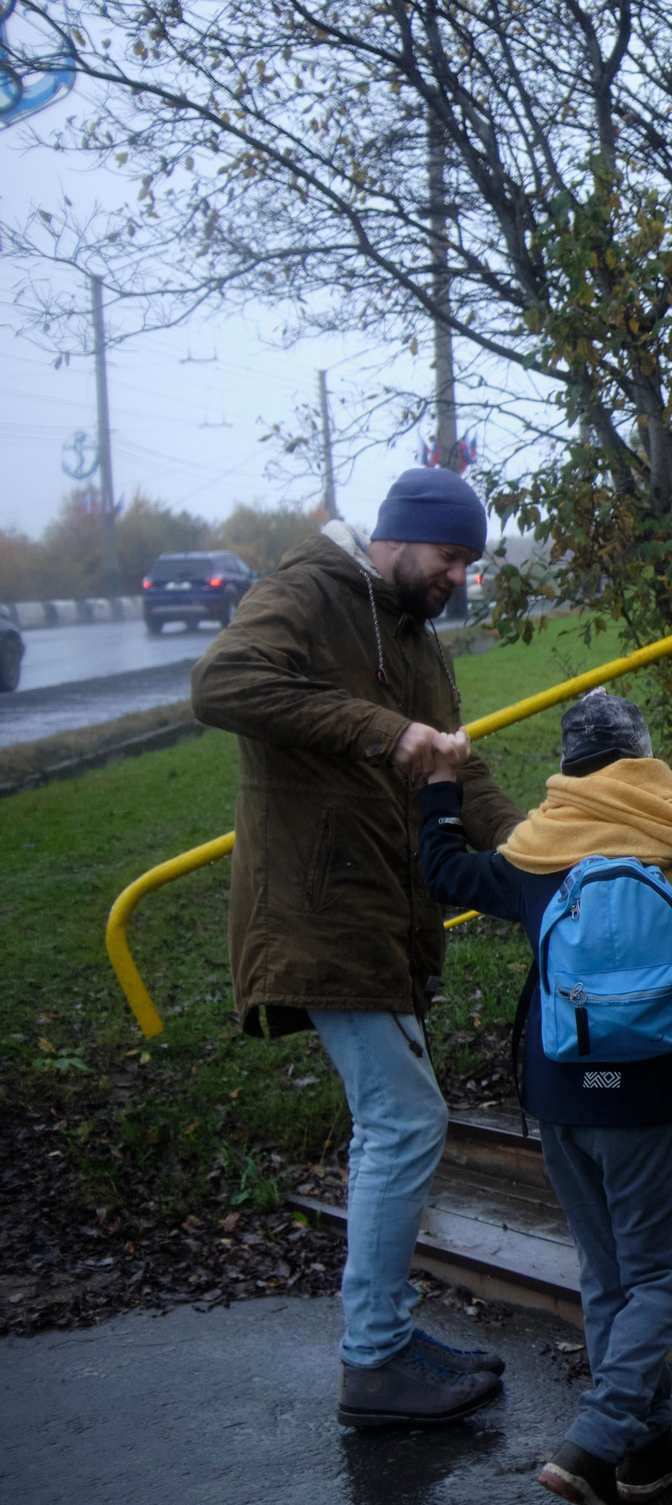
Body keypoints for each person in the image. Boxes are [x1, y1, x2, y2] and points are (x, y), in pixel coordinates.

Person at [189, 465, 516, 1427]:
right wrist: (383, 731)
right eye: (449, 555)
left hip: (381, 913)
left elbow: (454, 765)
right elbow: (221, 682)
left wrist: (540, 849)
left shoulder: (412, 632)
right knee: (404, 1120)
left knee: (398, 1120)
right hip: (318, 908)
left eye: (468, 561)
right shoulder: (307, 590)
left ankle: (389, 1337)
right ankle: (374, 1359)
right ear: (399, 535)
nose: (458, 575)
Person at [415, 691, 672, 1505]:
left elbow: (444, 871)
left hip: (560, 1091)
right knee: (663, 1269)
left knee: (608, 1275)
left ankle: (646, 1448)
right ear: (642, 756)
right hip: (646, 1099)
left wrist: (441, 789)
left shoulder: (537, 850)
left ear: (567, 765)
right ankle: (598, 1440)